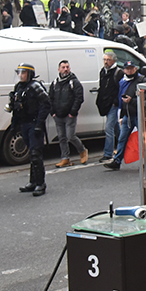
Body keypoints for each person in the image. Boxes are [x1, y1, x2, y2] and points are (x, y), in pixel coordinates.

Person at [8, 63, 51, 196]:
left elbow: (46, 104)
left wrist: (39, 123)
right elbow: (16, 107)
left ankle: (40, 183)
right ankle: (33, 182)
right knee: (32, 156)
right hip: (24, 123)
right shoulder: (19, 87)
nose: (20, 75)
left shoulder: (35, 86)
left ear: (30, 74)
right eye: (19, 72)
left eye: (23, 73)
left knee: (35, 154)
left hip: (34, 123)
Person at [105, 60, 146, 170]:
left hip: (139, 114)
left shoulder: (142, 81)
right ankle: (117, 161)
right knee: (122, 138)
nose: (129, 70)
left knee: (143, 139)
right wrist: (121, 115)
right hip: (128, 115)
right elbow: (120, 99)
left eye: (131, 68)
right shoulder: (122, 81)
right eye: (127, 69)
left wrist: (131, 101)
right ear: (124, 70)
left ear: (135, 69)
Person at [48, 59, 86, 167]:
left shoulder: (74, 82)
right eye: (63, 67)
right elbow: (50, 98)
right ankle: (65, 158)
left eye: (67, 67)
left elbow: (79, 98)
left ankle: (82, 150)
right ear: (59, 69)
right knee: (61, 137)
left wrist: (72, 112)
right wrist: (53, 112)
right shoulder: (55, 83)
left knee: (70, 136)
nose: (65, 69)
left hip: (69, 114)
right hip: (58, 115)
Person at [96, 51, 123, 162]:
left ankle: (108, 153)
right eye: (105, 60)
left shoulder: (118, 72)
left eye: (108, 60)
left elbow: (120, 89)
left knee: (109, 128)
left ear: (113, 61)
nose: (106, 62)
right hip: (105, 103)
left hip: (113, 104)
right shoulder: (103, 71)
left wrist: (115, 101)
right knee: (116, 127)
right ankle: (125, 144)